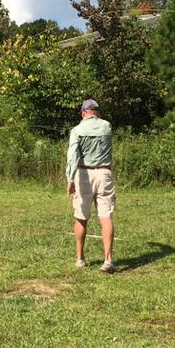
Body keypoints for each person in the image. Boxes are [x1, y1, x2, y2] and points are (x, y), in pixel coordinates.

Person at [66, 99, 116, 272]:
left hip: (83, 174)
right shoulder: (107, 126)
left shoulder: (77, 130)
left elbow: (72, 155)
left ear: (83, 113)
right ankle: (108, 261)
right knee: (106, 216)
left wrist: (70, 178)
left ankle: (80, 259)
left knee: (81, 217)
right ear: (97, 112)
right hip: (104, 173)